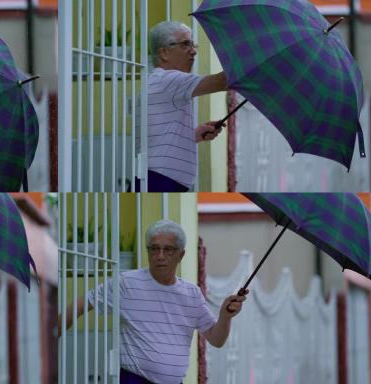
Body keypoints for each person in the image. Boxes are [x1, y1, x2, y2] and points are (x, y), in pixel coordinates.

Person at [61, 219, 248, 384]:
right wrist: (51, 336)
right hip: (133, 379)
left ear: (181, 255)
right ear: (148, 251)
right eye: (154, 248)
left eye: (168, 249)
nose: (160, 255)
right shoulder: (126, 283)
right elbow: (82, 304)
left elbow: (216, 339)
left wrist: (225, 316)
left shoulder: (192, 293)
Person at [140, 21, 228, 192]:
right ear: (164, 52)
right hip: (160, 180)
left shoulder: (159, 82)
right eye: (185, 44)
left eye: (193, 45)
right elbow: (223, 80)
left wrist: (193, 135)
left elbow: (157, 138)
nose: (193, 51)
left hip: (157, 177)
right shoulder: (169, 80)